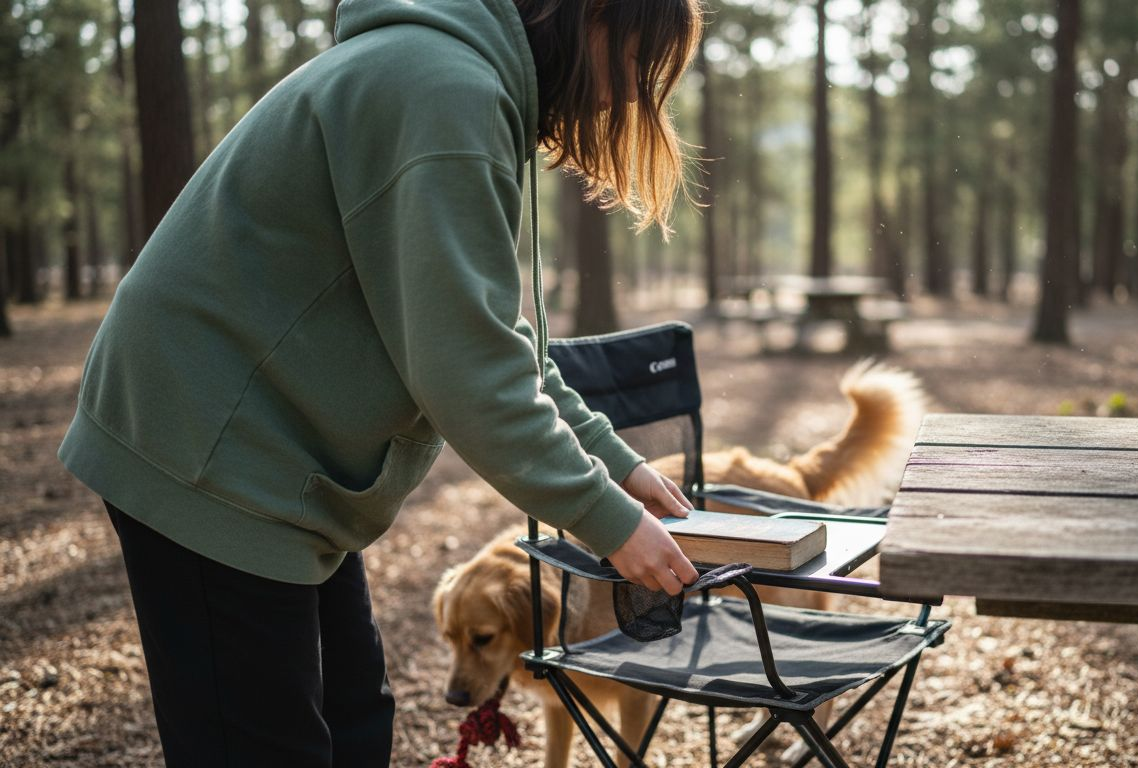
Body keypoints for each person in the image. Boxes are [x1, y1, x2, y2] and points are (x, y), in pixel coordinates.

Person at [56, 0, 704, 764]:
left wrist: (616, 465)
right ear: (589, 14)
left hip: (279, 458)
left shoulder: (459, 84)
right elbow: (468, 375)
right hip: (206, 442)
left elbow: (495, 340)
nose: (631, 93)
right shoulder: (444, 92)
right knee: (266, 745)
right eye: (635, 60)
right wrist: (607, 519)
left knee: (355, 718)